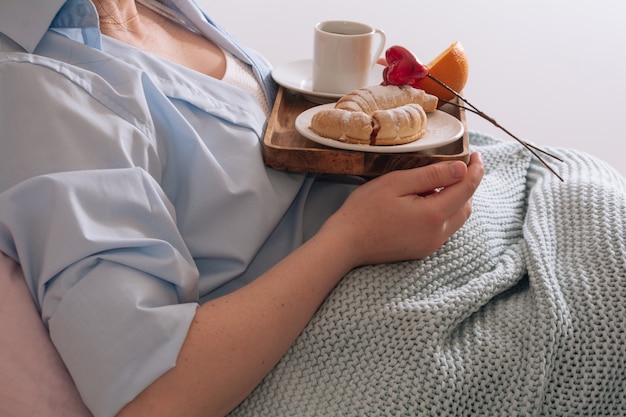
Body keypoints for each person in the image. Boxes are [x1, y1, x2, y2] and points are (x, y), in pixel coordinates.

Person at [1, 1, 625, 417]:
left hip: (450, 231)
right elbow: (152, 390)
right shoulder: (38, 86)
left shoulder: (158, 8)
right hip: (354, 313)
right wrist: (351, 238)